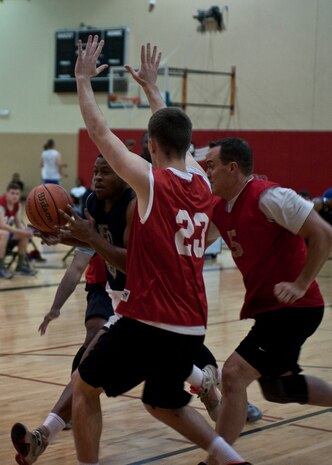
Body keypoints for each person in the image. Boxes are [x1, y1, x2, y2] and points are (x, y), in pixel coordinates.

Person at [70, 37, 252, 465]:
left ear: (150, 146)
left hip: (148, 320)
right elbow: (171, 133)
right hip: (192, 325)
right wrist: (153, 91)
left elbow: (99, 131)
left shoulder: (151, 182)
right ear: (188, 146)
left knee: (83, 387)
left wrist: (82, 80)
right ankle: (232, 460)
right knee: (162, 401)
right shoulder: (202, 182)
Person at [10, 155, 228, 465]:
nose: (96, 177)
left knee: (113, 377)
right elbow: (83, 255)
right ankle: (42, 436)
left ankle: (210, 398)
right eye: (95, 171)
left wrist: (87, 237)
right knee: (91, 373)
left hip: (156, 303)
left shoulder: (138, 208)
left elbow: (129, 259)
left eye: (105, 171)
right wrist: (62, 236)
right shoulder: (95, 205)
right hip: (124, 301)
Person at [199, 137, 332, 463]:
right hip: (272, 311)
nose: (207, 172)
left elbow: (323, 234)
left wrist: (301, 283)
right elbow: (196, 244)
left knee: (232, 375)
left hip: (295, 309)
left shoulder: (270, 196)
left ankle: (218, 461)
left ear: (233, 168)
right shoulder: (221, 207)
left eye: (212, 166)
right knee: (280, 389)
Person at [0, 181, 37, 278]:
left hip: (6, 236)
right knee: (4, 233)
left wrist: (26, 232)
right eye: (12, 193)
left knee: (24, 234)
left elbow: (18, 223)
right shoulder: (1, 204)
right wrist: (21, 231)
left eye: (17, 194)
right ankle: (0, 268)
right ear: (6, 193)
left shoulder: (17, 205)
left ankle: (20, 266)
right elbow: (2, 225)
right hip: (2, 234)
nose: (15, 196)